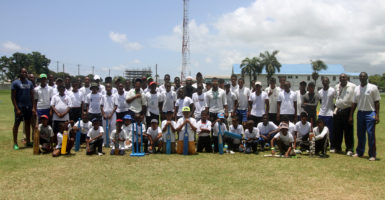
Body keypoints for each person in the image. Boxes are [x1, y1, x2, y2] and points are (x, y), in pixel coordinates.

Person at [349, 72, 380, 161]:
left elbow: (377, 102)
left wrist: (377, 115)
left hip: (370, 113)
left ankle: (372, 154)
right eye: (361, 76)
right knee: (360, 134)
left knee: (370, 134)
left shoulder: (373, 87)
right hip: (360, 113)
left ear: (367, 77)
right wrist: (351, 115)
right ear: (359, 78)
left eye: (364, 76)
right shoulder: (356, 89)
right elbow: (354, 103)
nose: (362, 78)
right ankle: (359, 152)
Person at [11, 68, 35, 149]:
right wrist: (17, 108)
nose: (24, 73)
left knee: (27, 124)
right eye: (23, 72)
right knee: (16, 124)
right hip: (20, 107)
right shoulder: (15, 83)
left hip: (28, 107)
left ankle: (28, 141)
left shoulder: (30, 83)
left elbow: (32, 96)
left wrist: (33, 107)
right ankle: (15, 143)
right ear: (20, 73)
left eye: (25, 72)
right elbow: (13, 97)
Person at [333, 73, 356, 156]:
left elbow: (354, 101)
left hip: (348, 110)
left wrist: (351, 115)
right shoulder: (336, 86)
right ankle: (337, 148)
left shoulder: (352, 86)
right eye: (341, 77)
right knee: (337, 131)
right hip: (338, 110)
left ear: (347, 78)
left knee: (348, 131)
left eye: (344, 77)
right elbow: (336, 98)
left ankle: (349, 149)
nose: (342, 79)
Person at [318, 77, 336, 152]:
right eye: (324, 81)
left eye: (326, 81)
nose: (325, 82)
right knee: (320, 130)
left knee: (330, 131)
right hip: (321, 113)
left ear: (329, 82)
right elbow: (320, 101)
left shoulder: (332, 90)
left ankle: (332, 146)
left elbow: (336, 100)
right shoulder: (320, 92)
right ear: (322, 82)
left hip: (329, 114)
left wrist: (334, 109)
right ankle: (321, 145)